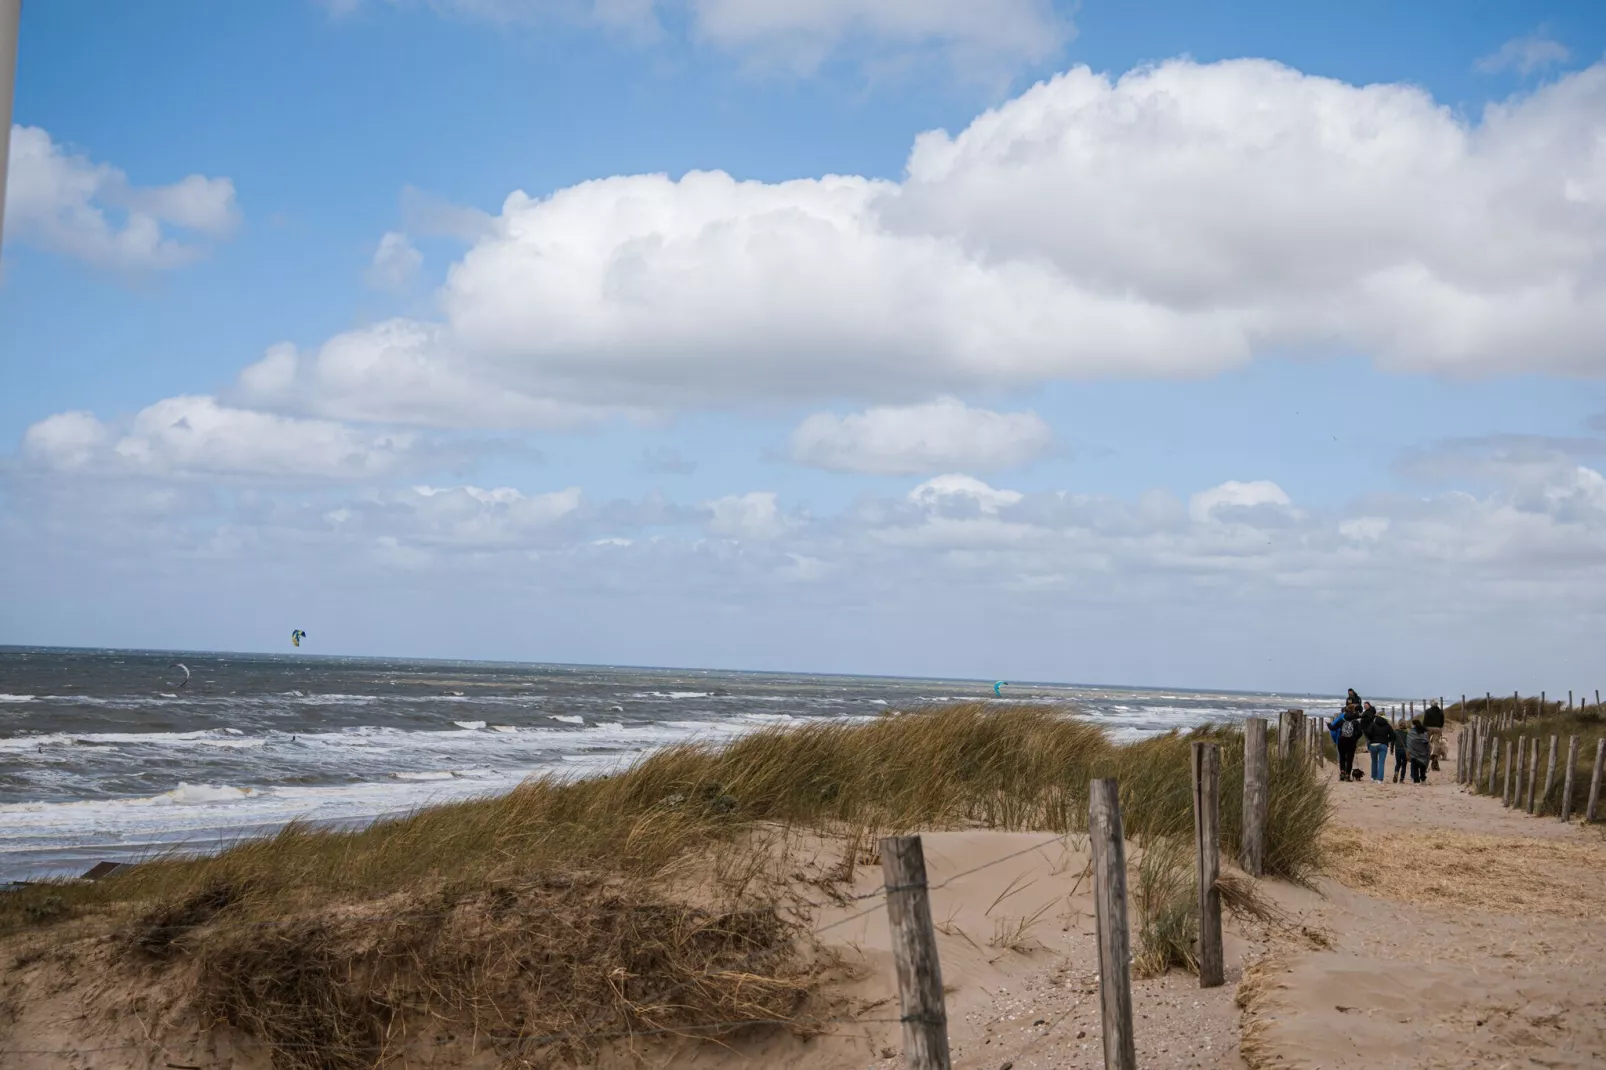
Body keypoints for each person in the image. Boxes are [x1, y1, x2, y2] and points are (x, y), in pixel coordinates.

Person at [1362, 705, 1393, 782]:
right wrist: (1387, 740)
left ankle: (1373, 778)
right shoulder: (1387, 725)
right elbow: (1393, 736)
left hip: (1373, 744)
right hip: (1383, 745)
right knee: (1381, 762)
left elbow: (1368, 733)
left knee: (1374, 761)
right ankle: (1380, 779)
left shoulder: (1373, 724)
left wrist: (1371, 739)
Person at [1331, 707, 1362, 780]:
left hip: (1342, 741)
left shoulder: (1341, 720)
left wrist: (1329, 725)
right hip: (1351, 742)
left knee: (1342, 757)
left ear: (1345, 712)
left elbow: (1333, 728)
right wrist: (1355, 738)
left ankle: (1342, 772)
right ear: (1353, 711)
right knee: (1350, 758)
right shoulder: (1355, 721)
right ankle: (1348, 775)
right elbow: (1360, 732)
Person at [1407, 718, 1432, 783]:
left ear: (1413, 725)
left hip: (1414, 752)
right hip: (1423, 751)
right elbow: (1427, 741)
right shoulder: (1424, 732)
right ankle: (1423, 779)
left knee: (1415, 766)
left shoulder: (1411, 732)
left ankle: (1416, 780)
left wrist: (1409, 751)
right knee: (1422, 765)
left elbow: (1409, 742)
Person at [1423, 702, 1446, 771]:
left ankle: (1427, 754)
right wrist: (1440, 727)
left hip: (1428, 728)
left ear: (1431, 705)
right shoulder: (1441, 712)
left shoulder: (1427, 711)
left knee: (1427, 742)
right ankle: (1435, 755)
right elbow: (1442, 722)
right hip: (1437, 728)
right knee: (1436, 743)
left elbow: (1425, 721)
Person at [1392, 718, 1410, 782]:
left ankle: (1396, 772)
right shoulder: (1408, 732)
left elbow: (1392, 741)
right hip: (1405, 750)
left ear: (1399, 724)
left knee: (1398, 763)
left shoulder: (1395, 731)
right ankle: (1401, 779)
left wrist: (1391, 750)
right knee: (1404, 765)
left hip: (1397, 749)